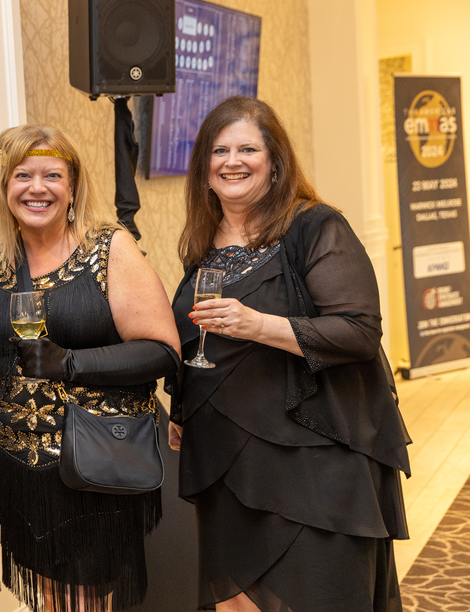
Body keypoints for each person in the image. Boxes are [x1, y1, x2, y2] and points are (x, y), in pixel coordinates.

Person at [167, 96, 411, 612]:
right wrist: (181, 408)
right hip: (227, 463)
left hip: (311, 458)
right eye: (219, 151)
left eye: (247, 149)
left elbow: (359, 331)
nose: (232, 161)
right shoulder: (203, 244)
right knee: (237, 602)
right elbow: (197, 340)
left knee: (316, 594)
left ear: (275, 162)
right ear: (204, 170)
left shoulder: (315, 226)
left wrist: (258, 325)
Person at [0, 124, 181, 612]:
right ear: (5, 187)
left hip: (92, 461)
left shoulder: (107, 249)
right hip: (21, 472)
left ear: (72, 187)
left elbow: (163, 350)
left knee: (83, 600)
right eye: (23, 175)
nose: (37, 188)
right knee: (51, 598)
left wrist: (69, 363)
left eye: (52, 176)